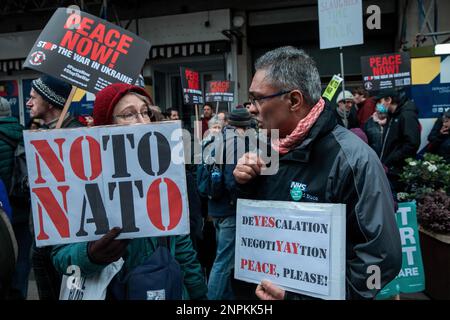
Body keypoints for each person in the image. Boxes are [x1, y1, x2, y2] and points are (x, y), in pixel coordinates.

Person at [233, 46, 401, 300]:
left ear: (294, 100)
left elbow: (381, 259)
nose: (252, 109)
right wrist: (245, 182)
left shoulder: (354, 160)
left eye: (258, 99)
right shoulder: (266, 149)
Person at [51, 83, 207, 300]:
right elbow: (60, 258)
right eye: (129, 115)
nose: (143, 121)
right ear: (106, 125)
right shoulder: (82, 181)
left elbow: (182, 249)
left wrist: (199, 297)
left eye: (145, 112)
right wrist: (90, 255)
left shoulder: (164, 174)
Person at [27, 75, 83, 300]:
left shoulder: (74, 135)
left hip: (64, 242)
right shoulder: (45, 134)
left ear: (50, 102)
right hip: (45, 237)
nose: (28, 103)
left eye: (33, 98)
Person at [205, 108, 253, 300]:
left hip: (216, 209)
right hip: (230, 210)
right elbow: (232, 181)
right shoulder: (237, 143)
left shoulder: (218, 139)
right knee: (223, 263)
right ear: (244, 126)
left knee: (224, 260)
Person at [0, 97, 29, 300]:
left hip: (2, 210)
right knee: (22, 259)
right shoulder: (23, 133)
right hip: (22, 206)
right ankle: (19, 294)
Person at [376, 89, 421, 194]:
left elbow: (412, 143)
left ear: (388, 100)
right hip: (389, 169)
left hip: (398, 171)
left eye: (380, 102)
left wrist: (393, 159)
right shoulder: (392, 115)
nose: (378, 105)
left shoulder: (406, 115)